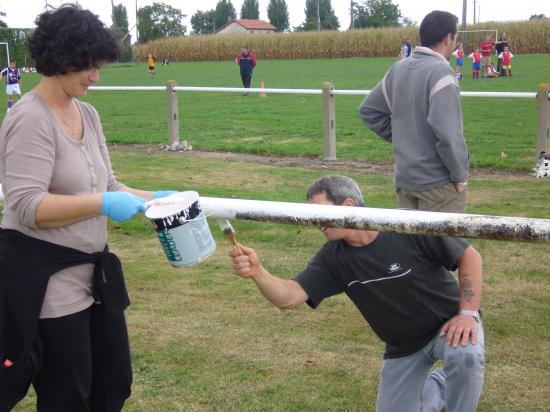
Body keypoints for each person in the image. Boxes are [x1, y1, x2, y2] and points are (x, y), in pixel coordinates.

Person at [0, 5, 176, 411]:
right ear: (61, 59)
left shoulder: (88, 113)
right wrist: (102, 204)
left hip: (93, 276)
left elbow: (109, 185)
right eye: (88, 66)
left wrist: (158, 198)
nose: (96, 76)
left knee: (113, 386)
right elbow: (27, 205)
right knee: (68, 396)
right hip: (49, 285)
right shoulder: (29, 119)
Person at [229, 175, 485, 412]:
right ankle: (441, 384)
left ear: (349, 205)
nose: (316, 222)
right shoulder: (333, 257)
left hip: (449, 324)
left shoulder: (405, 225)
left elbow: (470, 257)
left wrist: (467, 313)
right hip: (404, 346)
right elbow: (289, 297)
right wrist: (258, 272)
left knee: (466, 355)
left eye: (321, 213)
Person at [359, 11, 469, 213]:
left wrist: (405, 138)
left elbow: (369, 111)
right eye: (455, 38)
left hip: (406, 181)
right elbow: (448, 134)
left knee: (410, 245)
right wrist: (460, 175)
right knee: (445, 245)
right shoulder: (442, 72)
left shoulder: (398, 68)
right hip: (439, 184)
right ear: (448, 38)